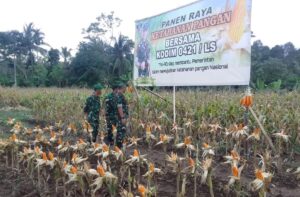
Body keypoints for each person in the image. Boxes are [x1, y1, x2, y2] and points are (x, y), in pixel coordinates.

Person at [115, 82, 129, 148]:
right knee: (120, 132)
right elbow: (119, 106)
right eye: (125, 88)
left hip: (120, 117)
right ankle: (119, 148)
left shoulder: (119, 95)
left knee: (121, 131)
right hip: (120, 118)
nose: (126, 89)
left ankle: (119, 147)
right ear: (122, 88)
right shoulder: (119, 95)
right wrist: (122, 117)